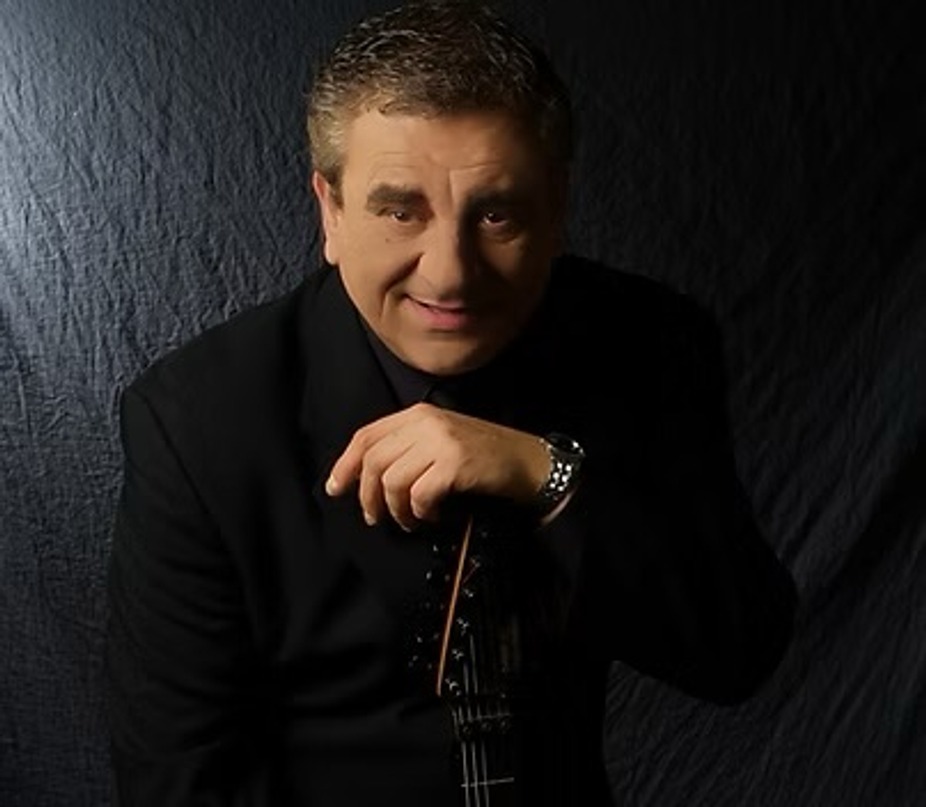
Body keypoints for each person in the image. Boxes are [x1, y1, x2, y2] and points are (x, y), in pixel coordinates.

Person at [104, 1, 797, 805]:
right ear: (330, 211)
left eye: (496, 214)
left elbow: (736, 650)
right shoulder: (197, 419)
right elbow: (179, 780)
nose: (450, 274)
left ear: (557, 207)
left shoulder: (648, 342)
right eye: (401, 211)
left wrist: (545, 475)